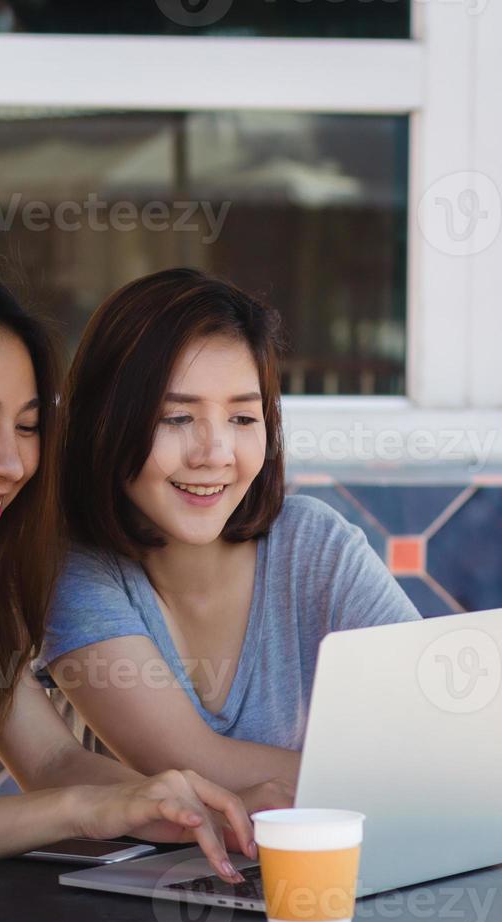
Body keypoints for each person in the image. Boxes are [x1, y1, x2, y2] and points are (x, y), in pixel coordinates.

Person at [0, 259, 285, 884]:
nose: (11, 462)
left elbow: (52, 759)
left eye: (28, 428)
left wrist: (142, 800)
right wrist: (83, 809)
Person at [41, 268, 421, 794]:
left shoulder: (315, 545)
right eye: (175, 418)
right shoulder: (77, 574)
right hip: (151, 877)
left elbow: (433, 723)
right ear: (102, 422)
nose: (215, 453)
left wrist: (441, 778)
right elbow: (188, 761)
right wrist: (408, 787)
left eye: (243, 419)